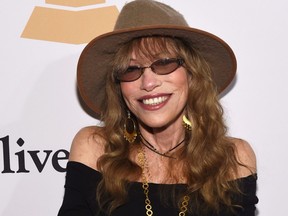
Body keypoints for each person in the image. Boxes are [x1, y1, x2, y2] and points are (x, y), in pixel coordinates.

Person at [58, 0, 258, 215]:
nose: (148, 83)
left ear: (192, 74)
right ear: (119, 86)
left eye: (163, 63)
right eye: (131, 69)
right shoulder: (96, 150)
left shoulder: (233, 159)